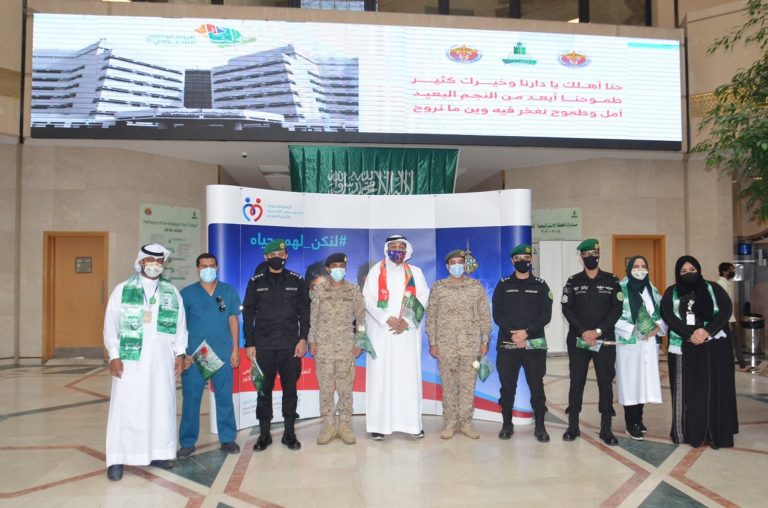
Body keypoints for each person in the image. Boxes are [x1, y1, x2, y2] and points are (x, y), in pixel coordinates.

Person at [103, 244, 188, 481]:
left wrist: (180, 354)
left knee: (161, 406)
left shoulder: (171, 291)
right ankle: (117, 458)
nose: (155, 265)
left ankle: (160, 453)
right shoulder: (122, 290)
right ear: (141, 262)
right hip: (131, 362)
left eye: (159, 261)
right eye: (151, 260)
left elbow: (181, 326)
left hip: (162, 362)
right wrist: (114, 355)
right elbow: (111, 325)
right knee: (126, 407)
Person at [661, 255, 739, 449]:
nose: (688, 273)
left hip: (714, 347)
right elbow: (668, 315)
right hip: (685, 348)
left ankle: (716, 432)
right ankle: (691, 432)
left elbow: (725, 310)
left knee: (715, 388)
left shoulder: (713, 288)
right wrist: (691, 334)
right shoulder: (671, 292)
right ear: (677, 273)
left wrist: (706, 331)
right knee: (691, 391)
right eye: (683, 271)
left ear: (699, 270)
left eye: (692, 270)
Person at [243, 239, 310, 451]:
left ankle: (289, 434)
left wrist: (303, 338)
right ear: (266, 257)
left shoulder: (297, 281)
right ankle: (264, 435)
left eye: (281, 255)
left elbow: (305, 313)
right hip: (263, 346)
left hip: (290, 345)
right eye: (272, 255)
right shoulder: (255, 282)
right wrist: (249, 343)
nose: (277, 258)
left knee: (290, 390)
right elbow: (248, 314)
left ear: (286, 257)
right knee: (263, 390)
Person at [362, 234, 429, 440]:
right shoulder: (375, 271)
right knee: (380, 378)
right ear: (386, 249)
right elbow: (368, 299)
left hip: (407, 334)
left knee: (407, 377)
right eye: (394, 246)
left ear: (407, 250)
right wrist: (387, 319)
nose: (397, 250)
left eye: (401, 246)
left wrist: (406, 321)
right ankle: (378, 425)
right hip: (381, 332)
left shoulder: (416, 272)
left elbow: (423, 297)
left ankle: (411, 424)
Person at [177, 253, 241, 459]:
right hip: (195, 355)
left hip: (222, 352)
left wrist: (235, 349)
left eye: (211, 265)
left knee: (224, 397)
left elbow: (233, 320)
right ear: (197, 268)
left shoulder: (227, 291)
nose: (208, 269)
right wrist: (182, 354)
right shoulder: (187, 294)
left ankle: (227, 438)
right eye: (204, 266)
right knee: (191, 400)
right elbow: (180, 326)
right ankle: (187, 443)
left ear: (217, 267)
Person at [561, 238, 623, 445]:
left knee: (605, 382)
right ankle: (573, 425)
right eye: (586, 255)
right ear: (581, 258)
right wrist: (583, 331)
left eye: (594, 254)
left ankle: (606, 428)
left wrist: (597, 331)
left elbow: (617, 309)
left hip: (603, 340)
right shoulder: (573, 281)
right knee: (576, 381)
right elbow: (567, 309)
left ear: (599, 255)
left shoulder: (612, 280)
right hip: (578, 340)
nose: (590, 258)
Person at [426, 249, 491, 440]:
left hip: (471, 344)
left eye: (460, 262)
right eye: (453, 263)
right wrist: (433, 342)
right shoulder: (438, 288)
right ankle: (450, 423)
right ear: (447, 266)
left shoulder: (475, 287)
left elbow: (485, 315)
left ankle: (466, 423)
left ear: (465, 265)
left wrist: (484, 340)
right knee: (448, 386)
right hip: (446, 345)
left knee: (468, 386)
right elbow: (431, 316)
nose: (457, 266)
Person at [491, 244, 553, 442]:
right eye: (517, 258)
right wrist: (513, 334)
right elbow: (497, 313)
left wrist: (527, 332)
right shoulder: (503, 284)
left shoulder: (541, 285)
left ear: (530, 260)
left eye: (525, 258)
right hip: (508, 344)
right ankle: (507, 424)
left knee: (537, 386)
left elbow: (546, 314)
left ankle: (540, 426)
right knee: (507, 386)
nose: (522, 261)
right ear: (512, 261)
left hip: (533, 343)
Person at [308, 253, 366, 445]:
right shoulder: (319, 290)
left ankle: (345, 427)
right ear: (328, 269)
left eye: (341, 266)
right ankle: (329, 427)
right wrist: (311, 340)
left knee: (345, 389)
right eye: (334, 266)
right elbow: (313, 318)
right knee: (325, 389)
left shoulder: (353, 291)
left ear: (345, 268)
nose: (338, 269)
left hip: (346, 347)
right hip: (323, 347)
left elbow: (361, 319)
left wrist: (360, 342)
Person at [615, 256, 666, 440]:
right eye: (636, 266)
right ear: (629, 268)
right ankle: (631, 423)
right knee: (630, 383)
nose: (640, 269)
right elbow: (612, 316)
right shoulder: (620, 289)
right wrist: (634, 329)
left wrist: (658, 328)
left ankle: (639, 419)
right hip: (629, 344)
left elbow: (661, 313)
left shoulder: (652, 289)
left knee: (644, 382)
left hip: (649, 343)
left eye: (643, 266)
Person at [717, 262, 751, 372]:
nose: (733, 272)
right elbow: (722, 305)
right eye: (731, 270)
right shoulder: (721, 285)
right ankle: (741, 365)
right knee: (734, 342)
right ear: (724, 272)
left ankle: (739, 364)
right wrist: (726, 320)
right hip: (727, 319)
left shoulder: (726, 284)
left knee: (734, 342)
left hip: (730, 318)